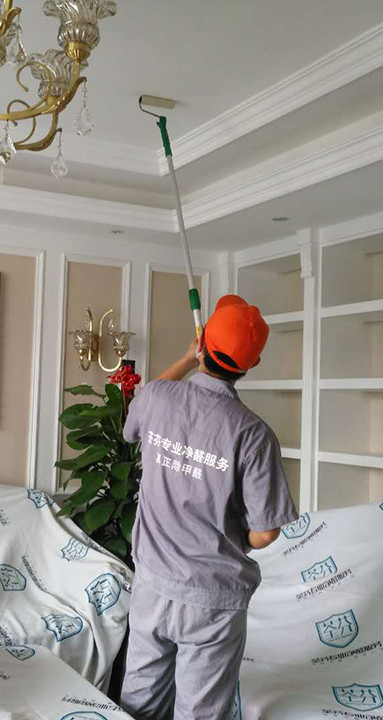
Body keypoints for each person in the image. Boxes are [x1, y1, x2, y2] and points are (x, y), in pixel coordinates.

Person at [119, 294, 299, 720]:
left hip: (151, 585)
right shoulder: (254, 434)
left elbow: (131, 426)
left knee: (138, 704)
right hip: (212, 599)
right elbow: (266, 532)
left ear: (202, 344)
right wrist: (239, 538)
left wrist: (186, 359)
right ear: (252, 365)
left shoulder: (158, 397)